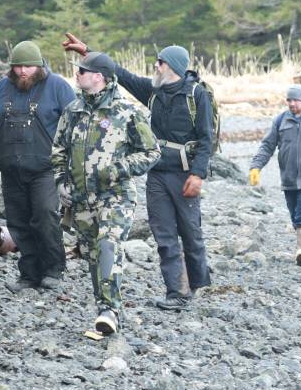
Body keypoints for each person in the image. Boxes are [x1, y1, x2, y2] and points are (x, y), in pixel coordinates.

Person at [62, 33, 212, 311]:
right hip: (157, 174)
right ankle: (176, 292)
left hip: (185, 175)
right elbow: (121, 74)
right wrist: (88, 53)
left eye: (160, 63)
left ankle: (198, 284)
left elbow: (206, 139)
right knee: (164, 234)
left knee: (191, 232)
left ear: (174, 68)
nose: (155, 66)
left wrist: (198, 174)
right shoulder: (153, 90)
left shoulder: (196, 96)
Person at [51, 51, 161, 335]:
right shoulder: (72, 111)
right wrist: (61, 181)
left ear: (99, 77)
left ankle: (109, 310)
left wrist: (117, 169)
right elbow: (59, 149)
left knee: (108, 244)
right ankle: (103, 307)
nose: (77, 74)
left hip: (116, 195)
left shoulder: (127, 112)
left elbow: (151, 152)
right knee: (91, 255)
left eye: (83, 71)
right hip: (80, 199)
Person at [0, 40, 76, 292]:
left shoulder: (59, 87)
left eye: (28, 67)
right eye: (18, 66)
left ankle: (54, 269)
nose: (22, 71)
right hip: (10, 169)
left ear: (39, 65)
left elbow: (76, 125)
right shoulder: (0, 88)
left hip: (46, 169)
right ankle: (29, 274)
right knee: (18, 222)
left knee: (44, 216)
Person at [248, 85, 301, 266]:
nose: (292, 104)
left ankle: (300, 250)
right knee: (295, 216)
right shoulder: (280, 121)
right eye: (289, 100)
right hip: (289, 179)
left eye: (295, 100)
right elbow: (267, 146)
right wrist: (256, 167)